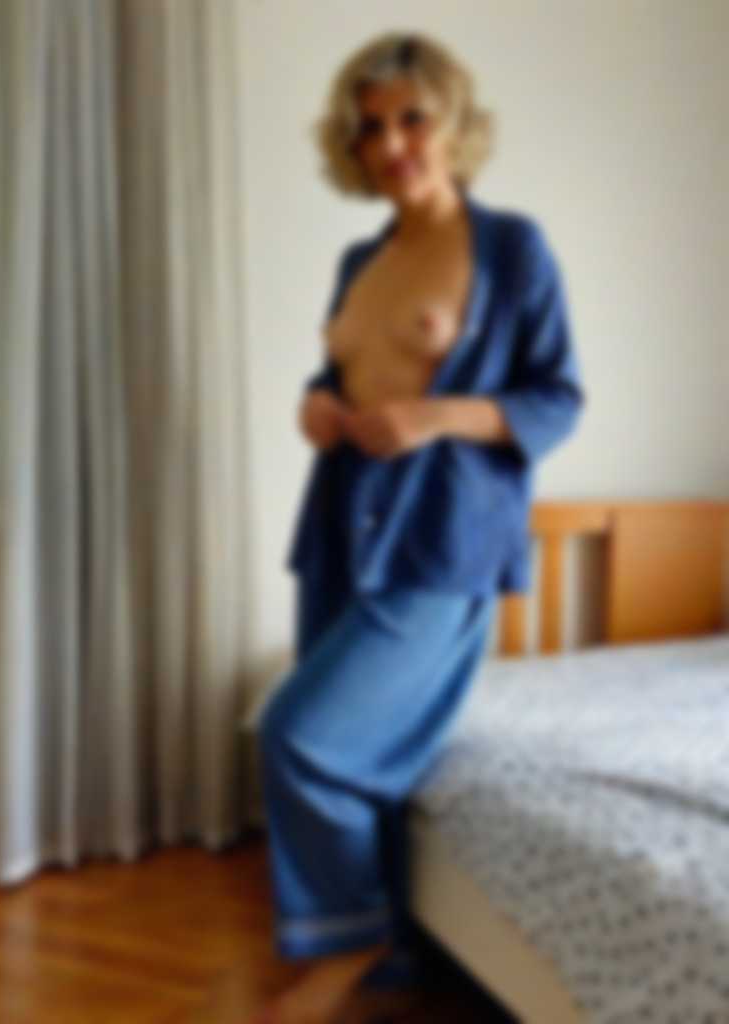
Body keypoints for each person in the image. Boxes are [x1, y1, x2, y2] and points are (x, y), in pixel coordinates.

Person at [253, 30, 586, 1024]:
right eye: (370, 127)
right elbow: (343, 371)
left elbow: (557, 397)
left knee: (302, 733)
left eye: (412, 118)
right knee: (363, 757)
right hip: (342, 524)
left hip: (441, 539)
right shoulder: (361, 258)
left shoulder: (512, 249)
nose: (392, 143)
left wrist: (436, 417)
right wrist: (317, 404)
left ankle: (344, 948)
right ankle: (392, 951)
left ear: (453, 124)